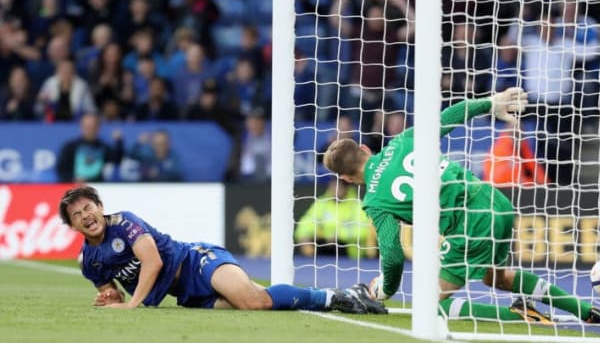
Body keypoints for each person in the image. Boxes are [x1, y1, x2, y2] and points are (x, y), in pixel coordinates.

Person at [322, 87, 600, 324]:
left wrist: (384, 289)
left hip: (470, 224)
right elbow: (449, 116)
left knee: (427, 306)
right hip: (495, 201)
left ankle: (519, 317)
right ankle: (584, 310)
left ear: (346, 178)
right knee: (495, 277)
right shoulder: (402, 141)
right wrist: (492, 102)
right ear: (365, 149)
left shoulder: (374, 201)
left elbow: (393, 256)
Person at [59, 185, 386, 313]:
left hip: (195, 261)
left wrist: (131, 305)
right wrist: (110, 298)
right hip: (185, 294)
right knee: (260, 300)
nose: (86, 216)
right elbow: (109, 292)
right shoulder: (89, 262)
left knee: (249, 301)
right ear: (73, 226)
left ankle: (334, 298)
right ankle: (348, 294)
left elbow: (153, 261)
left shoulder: (125, 222)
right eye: (77, 215)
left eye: (89, 208)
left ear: (100, 206)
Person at [295, 179, 376, 259]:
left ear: (346, 187)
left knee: (338, 244)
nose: (335, 189)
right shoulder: (321, 203)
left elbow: (364, 231)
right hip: (324, 247)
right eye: (333, 185)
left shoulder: (358, 205)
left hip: (350, 254)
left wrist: (338, 235)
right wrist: (305, 236)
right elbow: (306, 222)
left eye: (339, 186)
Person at [55, 112, 123, 182]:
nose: (89, 130)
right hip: (74, 188)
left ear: (98, 128)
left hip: (98, 188)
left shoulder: (103, 147)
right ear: (81, 127)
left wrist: (119, 142)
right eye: (86, 127)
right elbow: (61, 170)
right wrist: (72, 179)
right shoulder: (70, 147)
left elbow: (117, 160)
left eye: (92, 127)